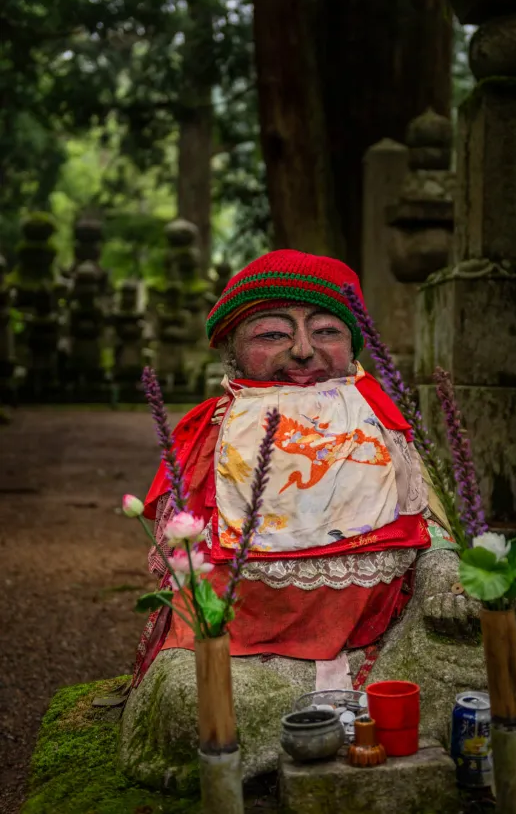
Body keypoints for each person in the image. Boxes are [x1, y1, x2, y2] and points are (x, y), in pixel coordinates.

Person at [132, 249, 459, 690]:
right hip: (242, 645)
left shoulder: (379, 424)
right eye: (272, 334)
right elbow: (185, 559)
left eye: (326, 331)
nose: (304, 351)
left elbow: (427, 525)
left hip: (381, 636)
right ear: (233, 349)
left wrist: (443, 574)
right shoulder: (214, 433)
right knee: (188, 694)